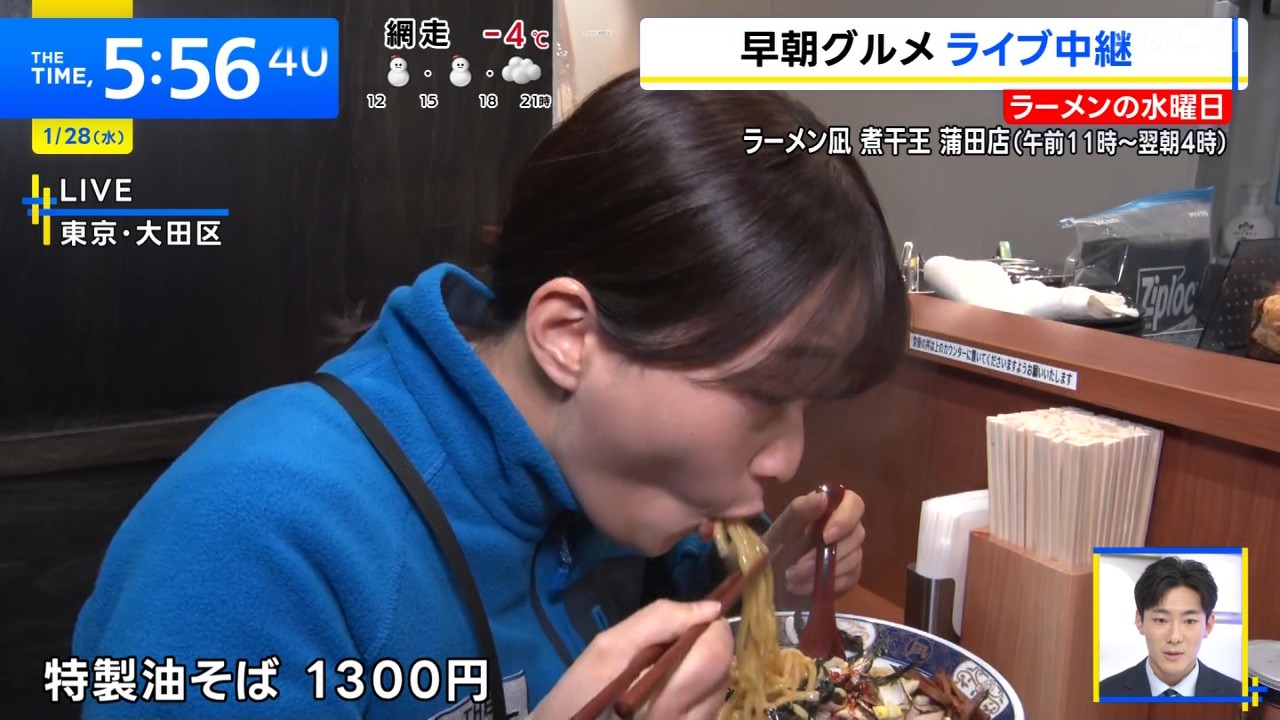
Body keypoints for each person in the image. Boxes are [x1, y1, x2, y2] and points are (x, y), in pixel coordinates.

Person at [72, 68, 909, 719]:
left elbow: (659, 595)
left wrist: (770, 583)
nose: (789, 457)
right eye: (765, 394)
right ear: (568, 336)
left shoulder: (607, 483)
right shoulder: (255, 530)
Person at [1099, 556, 1240, 698]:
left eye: (1189, 621)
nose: (1174, 637)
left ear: (1208, 625)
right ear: (1140, 621)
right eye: (1161, 620)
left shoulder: (1237, 694)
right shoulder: (1104, 692)